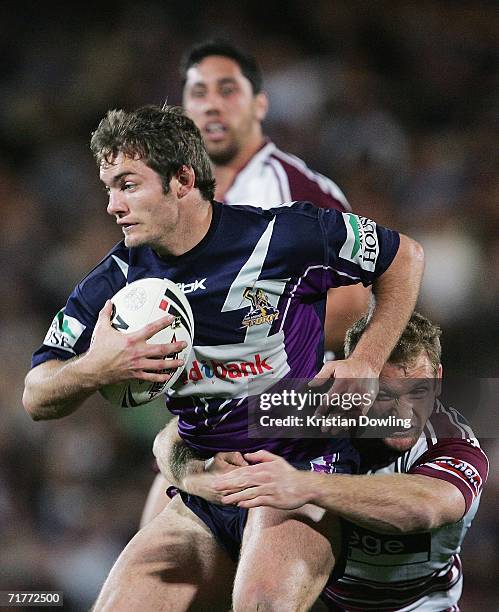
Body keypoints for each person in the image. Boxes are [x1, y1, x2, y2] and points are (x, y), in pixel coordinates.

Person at [23, 105, 424, 611]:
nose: (112, 205)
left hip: (299, 470)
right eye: (108, 188)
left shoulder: (283, 236)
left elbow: (404, 257)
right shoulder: (114, 282)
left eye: (127, 184)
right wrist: (96, 368)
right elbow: (36, 393)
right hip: (208, 487)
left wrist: (367, 360)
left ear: (183, 180)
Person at [141, 38, 371, 526]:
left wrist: (232, 331)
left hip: (297, 412)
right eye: (199, 92)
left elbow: (352, 306)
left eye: (229, 89)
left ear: (259, 103)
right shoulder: (182, 202)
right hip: (218, 409)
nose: (212, 103)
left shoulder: (291, 189)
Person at [184, 312, 486, 611]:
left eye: (418, 391)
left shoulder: (455, 444)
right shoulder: (308, 407)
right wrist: (194, 474)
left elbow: (425, 507)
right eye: (384, 394)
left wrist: (303, 485)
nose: (403, 413)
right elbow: (176, 438)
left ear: (438, 382)